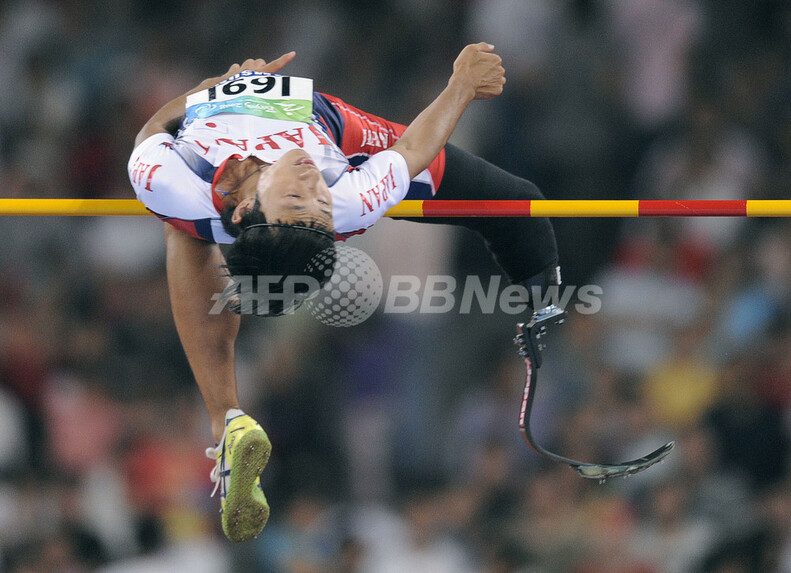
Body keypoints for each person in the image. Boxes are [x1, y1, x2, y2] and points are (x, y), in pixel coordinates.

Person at [128, 45, 561, 542]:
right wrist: (461, 84)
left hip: (217, 166)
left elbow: (153, 130)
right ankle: (545, 310)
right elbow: (413, 149)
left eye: (298, 197)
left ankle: (224, 418)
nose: (313, 184)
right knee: (516, 199)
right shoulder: (348, 199)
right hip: (333, 128)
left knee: (183, 225)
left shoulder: (166, 180)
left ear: (247, 207)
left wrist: (212, 90)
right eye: (316, 205)